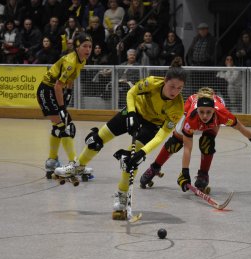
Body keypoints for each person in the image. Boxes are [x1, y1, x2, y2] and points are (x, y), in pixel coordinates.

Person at [54, 59, 187, 219]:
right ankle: (77, 167)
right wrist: (131, 113)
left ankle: (122, 195)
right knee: (95, 140)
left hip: (151, 126)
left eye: (179, 88)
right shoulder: (152, 82)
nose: (174, 91)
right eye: (172, 86)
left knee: (131, 161)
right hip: (133, 113)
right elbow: (131, 93)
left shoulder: (178, 108)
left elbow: (162, 135)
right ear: (165, 81)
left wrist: (143, 152)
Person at [139, 87, 251, 193]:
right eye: (202, 112)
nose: (205, 116)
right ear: (197, 110)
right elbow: (187, 148)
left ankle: (203, 175)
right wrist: (185, 172)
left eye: (208, 112)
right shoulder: (191, 117)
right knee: (174, 143)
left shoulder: (222, 114)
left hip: (214, 116)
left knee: (207, 143)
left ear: (214, 110)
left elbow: (240, 127)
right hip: (189, 113)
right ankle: (155, 168)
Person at [36, 33, 93, 179]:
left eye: (90, 46)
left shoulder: (82, 60)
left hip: (56, 90)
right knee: (64, 126)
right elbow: (57, 86)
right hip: (48, 90)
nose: (88, 49)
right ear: (76, 47)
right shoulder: (70, 61)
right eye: (84, 46)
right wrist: (62, 109)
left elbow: (70, 79)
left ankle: (52, 161)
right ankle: (74, 163)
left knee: (58, 126)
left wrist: (69, 92)